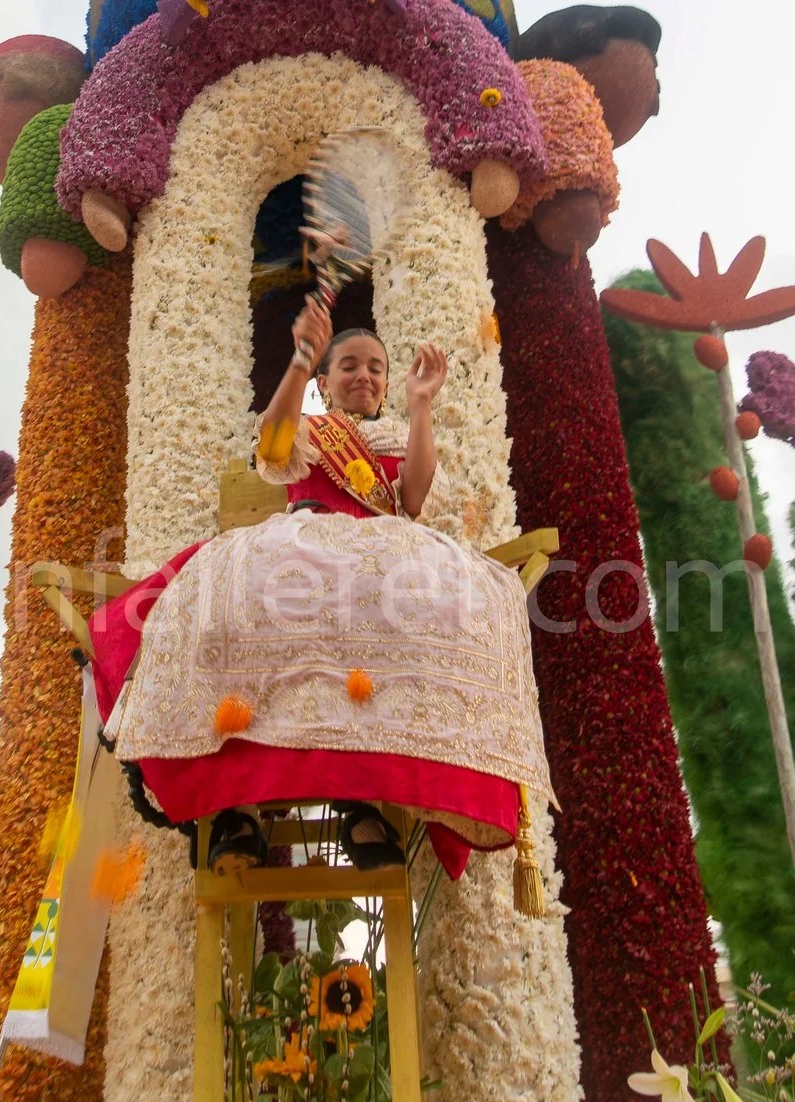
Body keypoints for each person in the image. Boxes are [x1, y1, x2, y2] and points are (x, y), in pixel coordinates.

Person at [88, 299, 553, 880]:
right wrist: (301, 359)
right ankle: (235, 809)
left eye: (377, 368)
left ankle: (359, 800)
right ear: (328, 383)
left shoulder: (394, 433)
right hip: (301, 550)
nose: (364, 375)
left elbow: (411, 502)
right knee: (229, 609)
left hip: (379, 559)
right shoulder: (311, 429)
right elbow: (275, 450)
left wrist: (420, 406)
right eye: (349, 365)